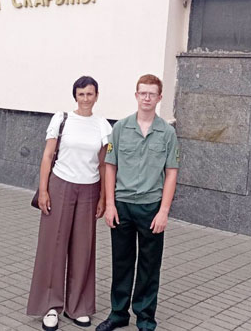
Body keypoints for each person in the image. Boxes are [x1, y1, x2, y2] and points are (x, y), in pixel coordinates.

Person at [27, 76, 112, 331]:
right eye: (81, 94)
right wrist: (44, 190)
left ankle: (78, 306)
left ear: (97, 96)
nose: (86, 98)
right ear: (75, 96)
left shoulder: (103, 126)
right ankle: (51, 307)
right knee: (53, 247)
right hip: (60, 185)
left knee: (82, 249)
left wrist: (104, 198)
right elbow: (47, 155)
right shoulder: (61, 119)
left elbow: (104, 164)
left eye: (90, 94)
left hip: (89, 189)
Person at [97, 74, 180, 331]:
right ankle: (119, 313)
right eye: (142, 93)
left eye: (151, 94)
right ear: (136, 95)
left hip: (151, 207)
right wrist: (110, 205)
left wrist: (164, 211)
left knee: (149, 265)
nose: (146, 98)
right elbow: (110, 167)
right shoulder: (120, 128)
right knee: (121, 262)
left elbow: (171, 173)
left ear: (159, 98)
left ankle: (145, 317)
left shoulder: (167, 133)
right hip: (122, 206)